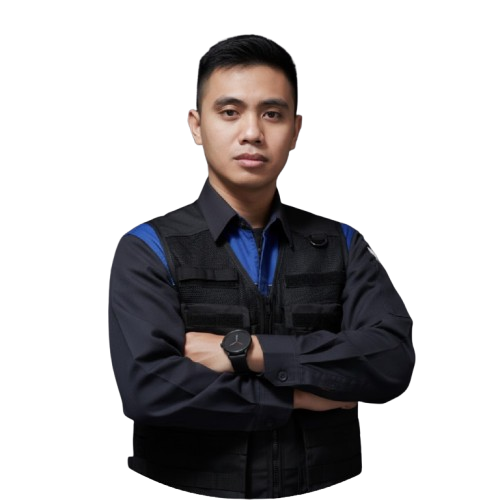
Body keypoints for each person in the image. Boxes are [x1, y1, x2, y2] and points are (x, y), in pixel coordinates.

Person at [108, 34, 415, 499]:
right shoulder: (146, 247)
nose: (252, 132)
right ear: (196, 126)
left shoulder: (344, 243)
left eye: (272, 114)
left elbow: (391, 361)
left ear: (296, 130)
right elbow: (148, 391)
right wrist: (294, 395)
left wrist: (250, 351)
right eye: (230, 112)